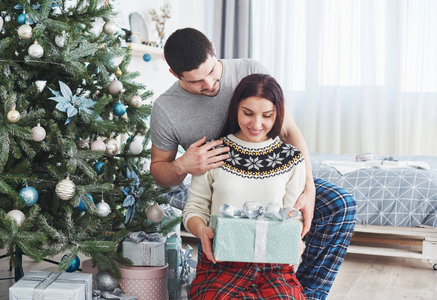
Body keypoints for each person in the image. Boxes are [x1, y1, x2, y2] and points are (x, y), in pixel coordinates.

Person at [150, 27, 357, 300]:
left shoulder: (249, 71)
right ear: (175, 75)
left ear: (214, 48)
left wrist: (308, 188)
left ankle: (308, 293)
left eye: (212, 72)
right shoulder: (166, 108)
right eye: (196, 82)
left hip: (273, 174)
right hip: (221, 186)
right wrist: (182, 165)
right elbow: (159, 170)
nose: (210, 84)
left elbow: (288, 130)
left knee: (339, 205)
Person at [183, 73, 306, 299]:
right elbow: (194, 209)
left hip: (273, 266)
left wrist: (295, 236)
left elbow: (292, 214)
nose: (256, 124)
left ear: (278, 114)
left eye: (267, 115)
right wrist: (202, 231)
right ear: (235, 109)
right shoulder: (212, 153)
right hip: (221, 263)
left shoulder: (292, 158)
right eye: (247, 113)